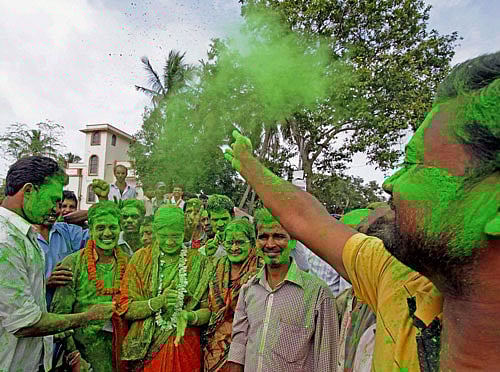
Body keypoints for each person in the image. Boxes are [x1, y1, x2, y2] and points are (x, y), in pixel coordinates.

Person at [225, 51, 500, 370]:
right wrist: (249, 165)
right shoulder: (397, 279)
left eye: (416, 164)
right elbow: (307, 218)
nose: (390, 183)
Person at [0, 156, 113, 372]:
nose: (57, 209)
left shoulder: (23, 236)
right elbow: (25, 323)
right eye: (53, 199)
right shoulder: (5, 242)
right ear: (29, 190)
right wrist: (88, 317)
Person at [227, 208, 338, 372]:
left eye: (279, 236)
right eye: (263, 237)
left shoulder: (318, 294)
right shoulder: (249, 289)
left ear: (293, 241)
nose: (270, 244)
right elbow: (239, 343)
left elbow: (326, 359)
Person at [118, 205, 212, 372]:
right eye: (163, 236)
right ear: (155, 232)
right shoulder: (140, 259)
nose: (169, 242)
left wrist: (189, 316)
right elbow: (125, 308)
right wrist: (157, 302)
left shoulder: (199, 262)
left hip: (184, 344)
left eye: (175, 236)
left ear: (185, 232)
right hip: (146, 349)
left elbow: (207, 310)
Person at [50, 201, 129, 372]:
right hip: (84, 359)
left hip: (121, 354)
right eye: (100, 228)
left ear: (119, 229)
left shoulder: (130, 263)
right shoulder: (72, 264)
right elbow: (60, 317)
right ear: (90, 230)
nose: (107, 233)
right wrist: (75, 355)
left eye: (112, 227)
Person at [203, 219, 262, 372]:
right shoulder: (217, 265)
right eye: (229, 243)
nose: (234, 248)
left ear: (252, 243)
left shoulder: (262, 269)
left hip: (249, 342)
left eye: (240, 242)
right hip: (214, 343)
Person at [35, 200, 89, 307]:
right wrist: (45, 283)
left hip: (63, 309)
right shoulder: (20, 235)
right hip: (32, 312)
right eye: (49, 204)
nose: (56, 210)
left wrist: (102, 201)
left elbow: (98, 236)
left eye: (58, 206)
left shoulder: (66, 231)